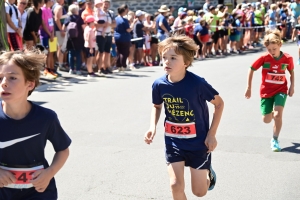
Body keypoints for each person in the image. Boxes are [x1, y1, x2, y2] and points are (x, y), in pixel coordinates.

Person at [144, 35, 224, 199]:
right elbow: (157, 106)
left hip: (198, 142)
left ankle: (207, 171)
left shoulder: (198, 84)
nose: (167, 62)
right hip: (174, 141)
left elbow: (219, 104)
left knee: (199, 192)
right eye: (164, 57)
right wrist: (152, 126)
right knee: (175, 185)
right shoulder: (159, 84)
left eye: (173, 58)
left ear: (186, 62)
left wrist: (211, 135)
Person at [0, 50, 71, 199]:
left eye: (12, 77)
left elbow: (63, 150)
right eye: (0, 78)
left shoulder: (46, 118)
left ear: (30, 84)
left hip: (38, 192)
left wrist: (49, 173)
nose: (4, 83)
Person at [244, 29, 295, 152]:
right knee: (266, 119)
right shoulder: (264, 58)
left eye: (274, 49)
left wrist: (292, 86)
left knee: (278, 115)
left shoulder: (287, 58)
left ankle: (275, 139)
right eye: (269, 49)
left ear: (280, 45)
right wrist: (249, 88)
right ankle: (271, 115)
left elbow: (292, 72)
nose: (272, 52)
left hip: (281, 90)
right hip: (266, 91)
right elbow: (251, 69)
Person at [63, 4, 85, 75]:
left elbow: (63, 28)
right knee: (78, 53)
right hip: (79, 38)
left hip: (70, 38)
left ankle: (71, 69)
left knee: (70, 53)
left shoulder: (68, 18)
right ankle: (78, 69)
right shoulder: (79, 18)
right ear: (76, 10)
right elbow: (84, 28)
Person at [40, 0, 56, 79]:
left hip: (52, 34)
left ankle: (51, 69)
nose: (52, 1)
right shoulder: (42, 10)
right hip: (45, 34)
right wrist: (49, 34)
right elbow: (43, 23)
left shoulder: (50, 10)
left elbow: (52, 23)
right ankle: (46, 70)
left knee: (51, 52)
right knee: (47, 52)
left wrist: (52, 33)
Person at [114, 4, 132, 72]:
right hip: (124, 37)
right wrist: (132, 25)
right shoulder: (124, 20)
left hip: (117, 36)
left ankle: (118, 65)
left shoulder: (115, 19)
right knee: (124, 52)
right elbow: (128, 30)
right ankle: (123, 65)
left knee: (119, 51)